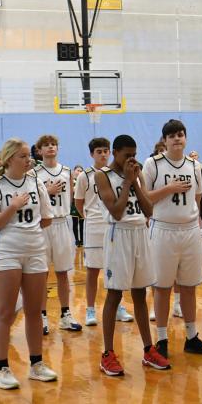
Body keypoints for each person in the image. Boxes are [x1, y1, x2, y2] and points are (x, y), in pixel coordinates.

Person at [0, 138, 57, 389]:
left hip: (35, 249)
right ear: (10, 158)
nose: (29, 160)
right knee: (5, 312)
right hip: (7, 252)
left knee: (35, 311)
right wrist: (12, 208)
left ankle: (36, 364)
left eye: (29, 156)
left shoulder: (36, 182)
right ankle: (1, 368)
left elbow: (46, 218)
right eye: (24, 156)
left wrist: (29, 230)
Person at [94, 134, 170, 376]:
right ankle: (107, 354)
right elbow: (116, 212)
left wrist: (135, 181)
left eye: (134, 155)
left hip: (140, 232)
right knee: (115, 294)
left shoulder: (136, 174)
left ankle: (148, 349)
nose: (132, 159)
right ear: (115, 153)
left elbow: (148, 209)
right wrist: (127, 181)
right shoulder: (102, 175)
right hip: (119, 233)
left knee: (140, 293)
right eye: (127, 155)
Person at [143, 119, 202, 360]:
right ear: (164, 140)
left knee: (189, 286)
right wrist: (169, 188)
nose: (177, 139)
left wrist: (195, 225)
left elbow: (197, 198)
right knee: (162, 287)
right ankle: (162, 339)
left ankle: (192, 336)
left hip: (189, 230)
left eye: (180, 134)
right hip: (163, 229)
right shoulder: (152, 164)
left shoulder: (194, 166)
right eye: (172, 135)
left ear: (185, 138)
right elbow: (145, 199)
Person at [74, 138, 133, 327]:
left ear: (111, 152)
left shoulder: (117, 174)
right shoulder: (85, 176)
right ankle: (90, 310)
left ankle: (118, 307)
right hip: (93, 226)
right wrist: (89, 217)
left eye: (106, 151)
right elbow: (78, 202)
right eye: (99, 151)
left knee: (115, 269)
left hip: (113, 224)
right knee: (92, 271)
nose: (103, 154)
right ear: (92, 154)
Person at [33, 135, 81, 334]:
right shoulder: (34, 173)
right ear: (39, 150)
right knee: (41, 274)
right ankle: (41, 316)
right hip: (43, 225)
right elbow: (32, 200)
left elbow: (70, 198)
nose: (51, 147)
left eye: (53, 144)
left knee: (63, 273)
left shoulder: (67, 171)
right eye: (46, 145)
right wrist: (47, 191)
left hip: (62, 222)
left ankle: (65, 314)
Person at [70, 166, 84, 247]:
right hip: (74, 204)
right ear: (74, 171)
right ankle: (76, 240)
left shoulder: (82, 181)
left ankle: (82, 240)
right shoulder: (72, 181)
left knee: (82, 224)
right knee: (75, 223)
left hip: (82, 204)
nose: (79, 172)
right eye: (78, 170)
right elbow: (72, 191)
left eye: (81, 171)